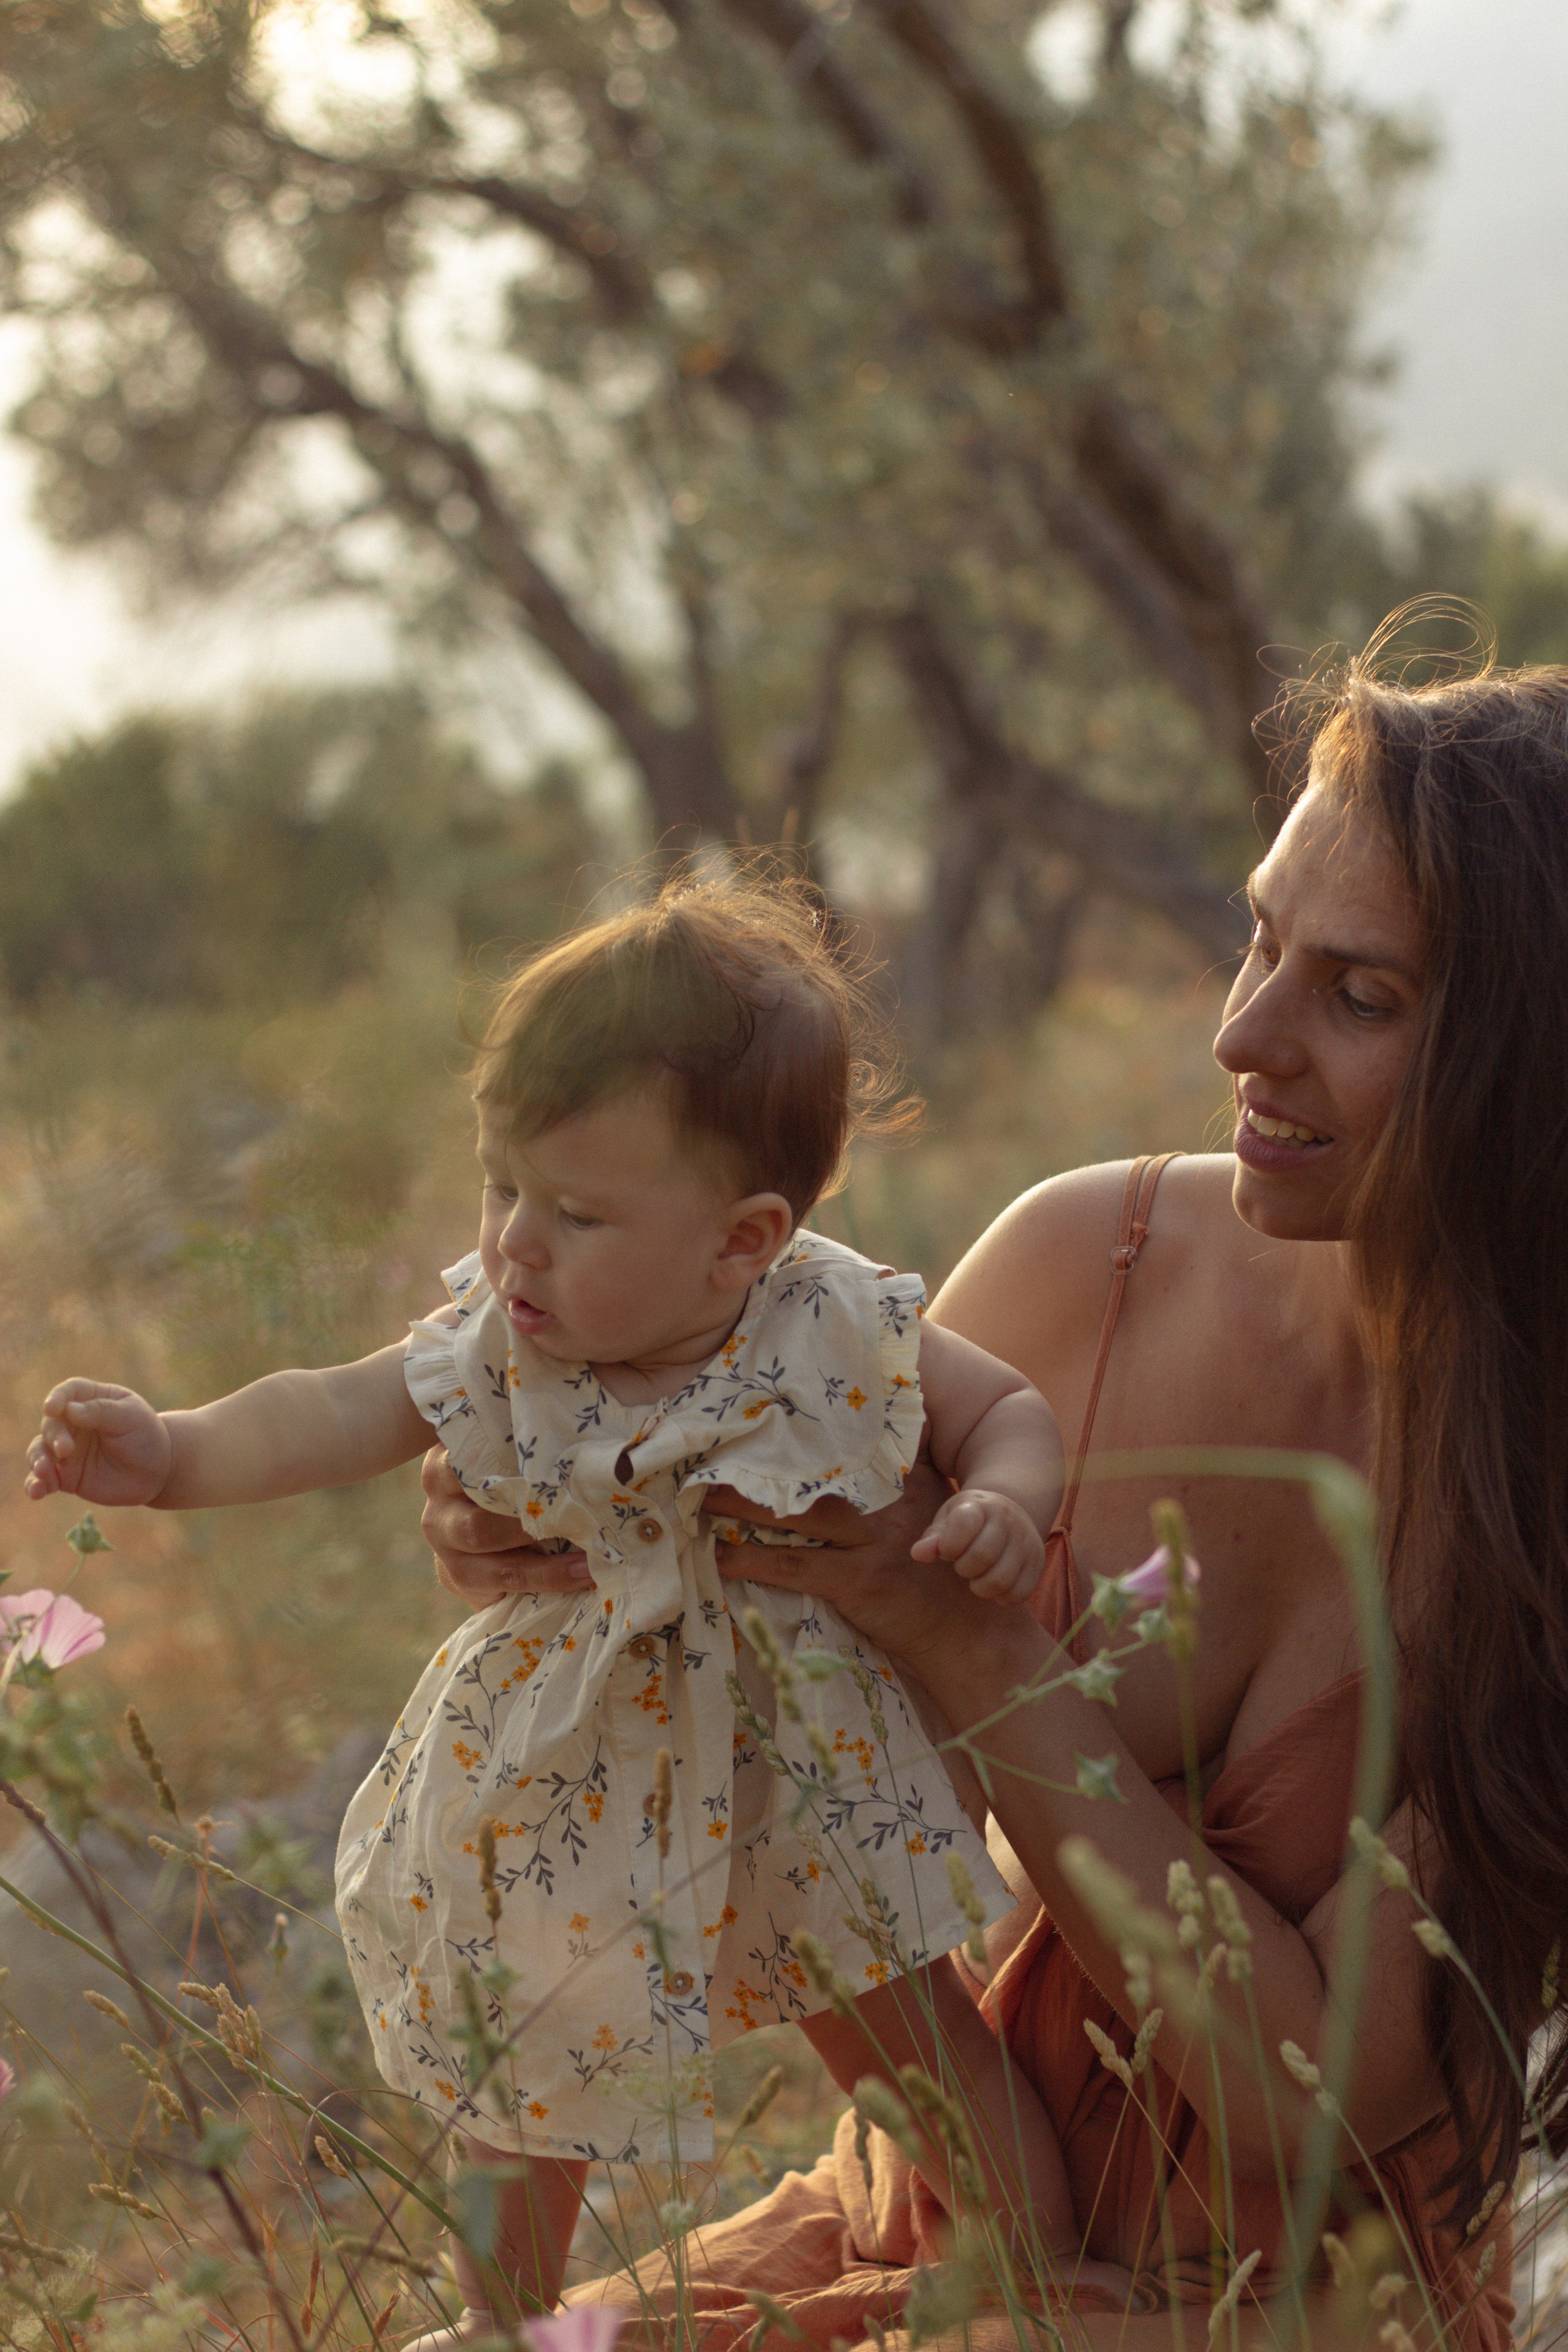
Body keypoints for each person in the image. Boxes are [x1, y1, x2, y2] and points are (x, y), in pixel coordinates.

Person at [421, 654, 1568, 2350]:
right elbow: (749, 1689)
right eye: (1259, 941)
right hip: (931, 2250)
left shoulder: (1537, 1505)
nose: (1241, 1035)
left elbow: (1310, 2101)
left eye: (1360, 997)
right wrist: (555, 1533)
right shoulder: (1076, 1263)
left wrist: (966, 1640)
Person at [23, 877, 1093, 2334]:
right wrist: (171, 1451)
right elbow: (330, 1409)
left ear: (743, 1236)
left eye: (574, 1209)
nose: (514, 1241)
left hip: (806, 1773)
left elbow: (1003, 1407)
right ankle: (505, 2318)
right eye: (499, 1183)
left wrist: (1002, 1501)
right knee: (520, 2076)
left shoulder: (831, 1315)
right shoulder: (497, 1340)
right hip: (560, 1788)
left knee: (913, 2034)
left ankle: (1034, 2264)